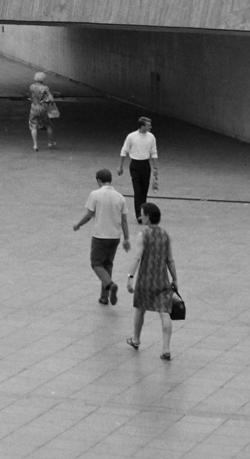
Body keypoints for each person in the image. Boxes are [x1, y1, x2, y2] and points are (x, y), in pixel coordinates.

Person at [126, 202, 178, 358]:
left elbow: (137, 257)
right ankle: (166, 348)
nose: (141, 216)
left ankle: (136, 339)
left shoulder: (143, 235)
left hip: (145, 280)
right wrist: (174, 278)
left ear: (148, 218)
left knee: (140, 309)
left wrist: (130, 276)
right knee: (165, 313)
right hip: (162, 279)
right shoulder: (165, 235)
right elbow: (170, 259)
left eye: (142, 214)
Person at [72, 169, 131, 304]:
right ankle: (104, 297)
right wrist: (127, 238)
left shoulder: (95, 194)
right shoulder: (120, 197)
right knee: (108, 265)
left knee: (97, 264)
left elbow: (89, 215)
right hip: (115, 237)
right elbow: (124, 220)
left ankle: (110, 286)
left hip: (100, 236)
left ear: (98, 180)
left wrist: (78, 224)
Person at [119, 117, 159, 220]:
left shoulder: (151, 137)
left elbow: (153, 151)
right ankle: (139, 215)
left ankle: (144, 212)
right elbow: (124, 151)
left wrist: (155, 167)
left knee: (144, 190)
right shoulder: (131, 137)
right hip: (135, 165)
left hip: (146, 165)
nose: (150, 127)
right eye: (148, 125)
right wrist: (120, 166)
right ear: (142, 126)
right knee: (137, 191)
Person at [27, 73, 58, 151]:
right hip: (43, 108)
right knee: (49, 124)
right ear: (44, 80)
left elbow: (31, 96)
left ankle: (35, 145)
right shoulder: (45, 88)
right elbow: (51, 99)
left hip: (34, 107)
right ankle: (50, 143)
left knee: (33, 125)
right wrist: (49, 94)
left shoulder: (31, 86)